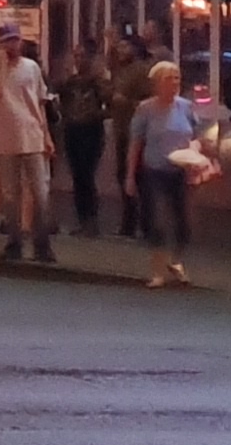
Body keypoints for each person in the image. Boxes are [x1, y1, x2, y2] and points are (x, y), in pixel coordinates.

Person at [123, 59, 205, 288]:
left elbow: (196, 136)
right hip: (155, 169)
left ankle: (176, 260)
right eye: (168, 78)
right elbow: (136, 143)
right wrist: (130, 176)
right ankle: (157, 270)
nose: (174, 83)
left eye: (177, 78)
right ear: (156, 84)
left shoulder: (186, 107)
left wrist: (197, 152)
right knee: (157, 219)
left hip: (181, 170)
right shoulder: (146, 109)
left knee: (184, 221)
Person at [0, 27, 57, 264]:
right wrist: (2, 67)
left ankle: (42, 246)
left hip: (32, 135)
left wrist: (46, 135)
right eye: (7, 42)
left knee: (39, 193)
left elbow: (39, 103)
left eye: (16, 41)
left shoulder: (31, 68)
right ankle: (13, 243)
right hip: (4, 139)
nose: (13, 46)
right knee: (10, 195)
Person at [53, 47, 114, 235]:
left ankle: (91, 221)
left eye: (82, 57)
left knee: (87, 175)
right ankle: (82, 220)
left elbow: (111, 104)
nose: (78, 61)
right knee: (77, 176)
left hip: (91, 130)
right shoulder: (70, 83)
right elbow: (57, 97)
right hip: (72, 129)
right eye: (76, 57)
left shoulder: (97, 82)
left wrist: (95, 115)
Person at [105, 35, 158, 236]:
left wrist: (126, 101)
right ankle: (129, 223)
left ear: (135, 48)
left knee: (140, 178)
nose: (121, 50)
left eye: (125, 46)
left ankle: (146, 225)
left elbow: (151, 101)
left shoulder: (142, 70)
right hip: (122, 129)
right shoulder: (121, 71)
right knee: (124, 177)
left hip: (137, 133)